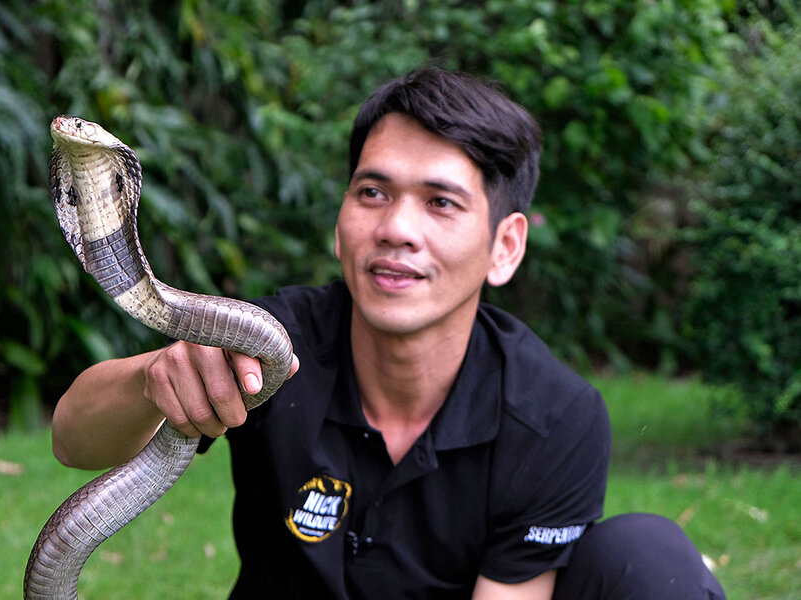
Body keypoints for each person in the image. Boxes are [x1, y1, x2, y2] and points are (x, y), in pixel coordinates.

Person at [52, 68, 726, 599]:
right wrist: (151, 380)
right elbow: (71, 437)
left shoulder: (556, 415)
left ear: (505, 247)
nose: (396, 228)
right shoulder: (269, 344)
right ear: (341, 216)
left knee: (651, 560)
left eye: (440, 202)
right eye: (372, 192)